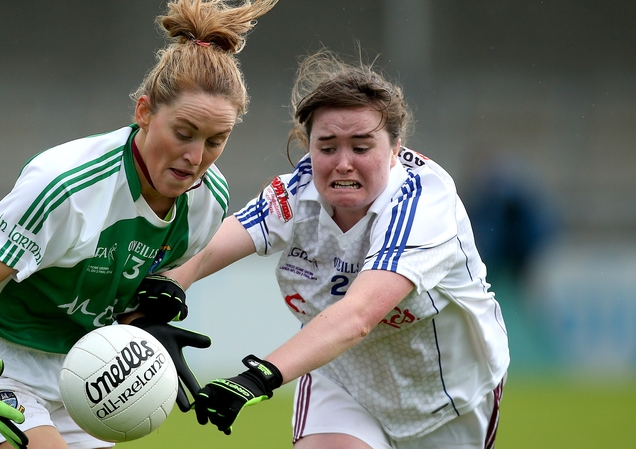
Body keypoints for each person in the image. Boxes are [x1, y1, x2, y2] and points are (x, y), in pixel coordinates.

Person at [0, 1, 279, 448]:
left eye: (215, 141)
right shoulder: (65, 187)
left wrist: (146, 320)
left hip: (86, 369)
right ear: (144, 112)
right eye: (184, 133)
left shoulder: (209, 199)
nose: (195, 157)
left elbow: (135, 286)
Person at [163, 49, 510, 449]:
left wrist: (258, 377)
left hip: (450, 397)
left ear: (396, 149)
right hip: (341, 379)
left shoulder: (424, 203)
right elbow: (212, 248)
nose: (343, 163)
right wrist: (167, 288)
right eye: (327, 147)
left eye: (361, 148)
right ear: (308, 147)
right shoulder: (297, 191)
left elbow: (358, 316)